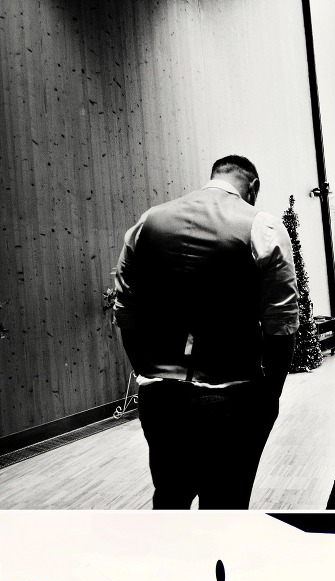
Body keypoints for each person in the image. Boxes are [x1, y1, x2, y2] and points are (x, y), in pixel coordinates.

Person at [114, 155, 299, 510]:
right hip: (233, 397)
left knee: (169, 499)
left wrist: (146, 372)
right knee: (226, 504)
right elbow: (282, 324)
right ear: (253, 187)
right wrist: (269, 397)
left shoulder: (148, 222)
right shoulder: (262, 225)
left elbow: (126, 313)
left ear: (213, 178)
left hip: (161, 398)